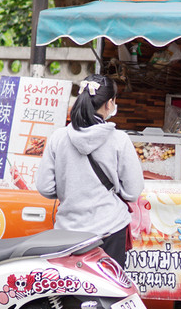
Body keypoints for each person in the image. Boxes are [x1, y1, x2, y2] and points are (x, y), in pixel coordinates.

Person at [36, 74, 144, 268]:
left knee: (70, 293)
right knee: (108, 291)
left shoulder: (58, 137)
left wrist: (68, 189)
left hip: (67, 233)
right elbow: (133, 191)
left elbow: (44, 187)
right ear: (109, 104)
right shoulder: (119, 140)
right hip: (110, 231)